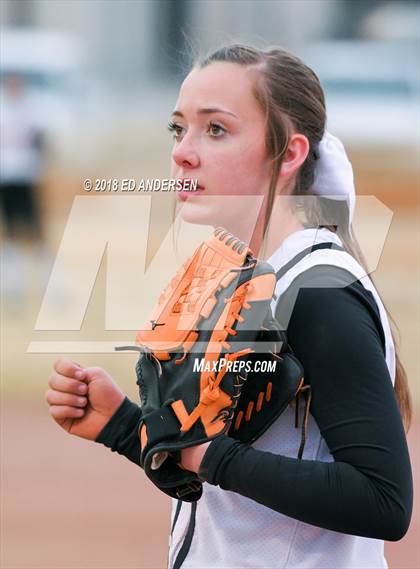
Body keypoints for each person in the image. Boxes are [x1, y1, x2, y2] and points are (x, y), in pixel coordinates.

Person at [45, 44, 413, 568]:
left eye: (215, 129)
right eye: (179, 128)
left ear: (289, 154)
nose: (183, 152)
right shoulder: (251, 277)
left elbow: (383, 500)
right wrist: (126, 429)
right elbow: (240, 490)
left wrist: (207, 455)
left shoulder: (318, 290)